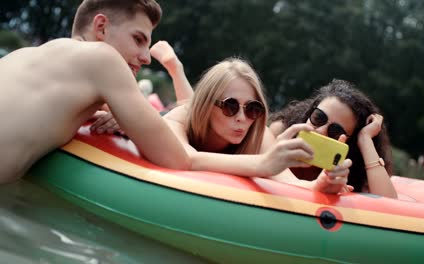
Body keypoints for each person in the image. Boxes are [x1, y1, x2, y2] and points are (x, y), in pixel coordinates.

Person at [0, 0, 190, 184]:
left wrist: (123, 116)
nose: (146, 58)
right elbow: (176, 160)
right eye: (138, 39)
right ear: (101, 27)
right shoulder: (104, 57)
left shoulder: (21, 56)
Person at [161, 57, 353, 193]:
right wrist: (263, 164)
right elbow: (185, 159)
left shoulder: (258, 134)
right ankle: (175, 67)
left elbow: (289, 182)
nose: (242, 118)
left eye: (252, 109)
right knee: (185, 101)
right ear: (207, 103)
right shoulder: (180, 117)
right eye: (230, 106)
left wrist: (322, 183)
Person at [269, 79, 397, 198]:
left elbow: (390, 205)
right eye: (318, 117)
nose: (320, 131)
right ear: (309, 114)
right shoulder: (280, 132)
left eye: (335, 131)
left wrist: (365, 139)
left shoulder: (347, 172)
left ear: (349, 144)